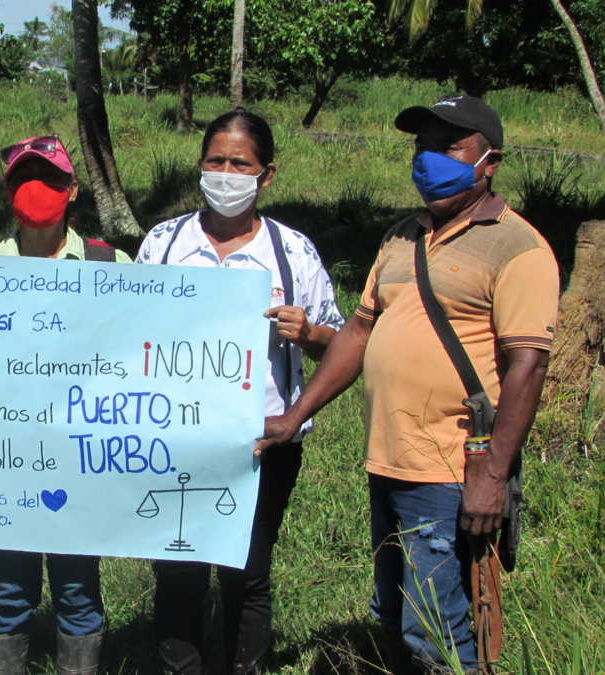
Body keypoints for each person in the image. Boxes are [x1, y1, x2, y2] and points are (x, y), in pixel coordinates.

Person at [255, 95, 558, 673]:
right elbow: (358, 332)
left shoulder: (518, 248)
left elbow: (529, 366)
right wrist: (295, 417)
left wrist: (493, 474)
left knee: (437, 628)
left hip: (452, 471)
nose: (428, 159)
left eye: (448, 147)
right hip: (388, 462)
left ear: (490, 162)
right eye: (422, 147)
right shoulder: (401, 237)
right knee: (394, 614)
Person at [136, 109, 345, 675]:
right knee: (176, 566)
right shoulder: (164, 243)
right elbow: (127, 331)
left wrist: (308, 332)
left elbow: (339, 343)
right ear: (200, 165)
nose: (225, 174)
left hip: (264, 442)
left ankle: (244, 666)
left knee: (248, 570)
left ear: (267, 174)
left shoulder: (292, 253)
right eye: (215, 161)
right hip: (175, 437)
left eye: (240, 164)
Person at [0, 135, 129, 675]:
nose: (35, 187)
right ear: (7, 191)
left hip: (81, 458)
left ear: (72, 189)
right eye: (23, 177)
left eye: (49, 177)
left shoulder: (111, 264)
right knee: (8, 590)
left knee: (79, 589)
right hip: (8, 458)